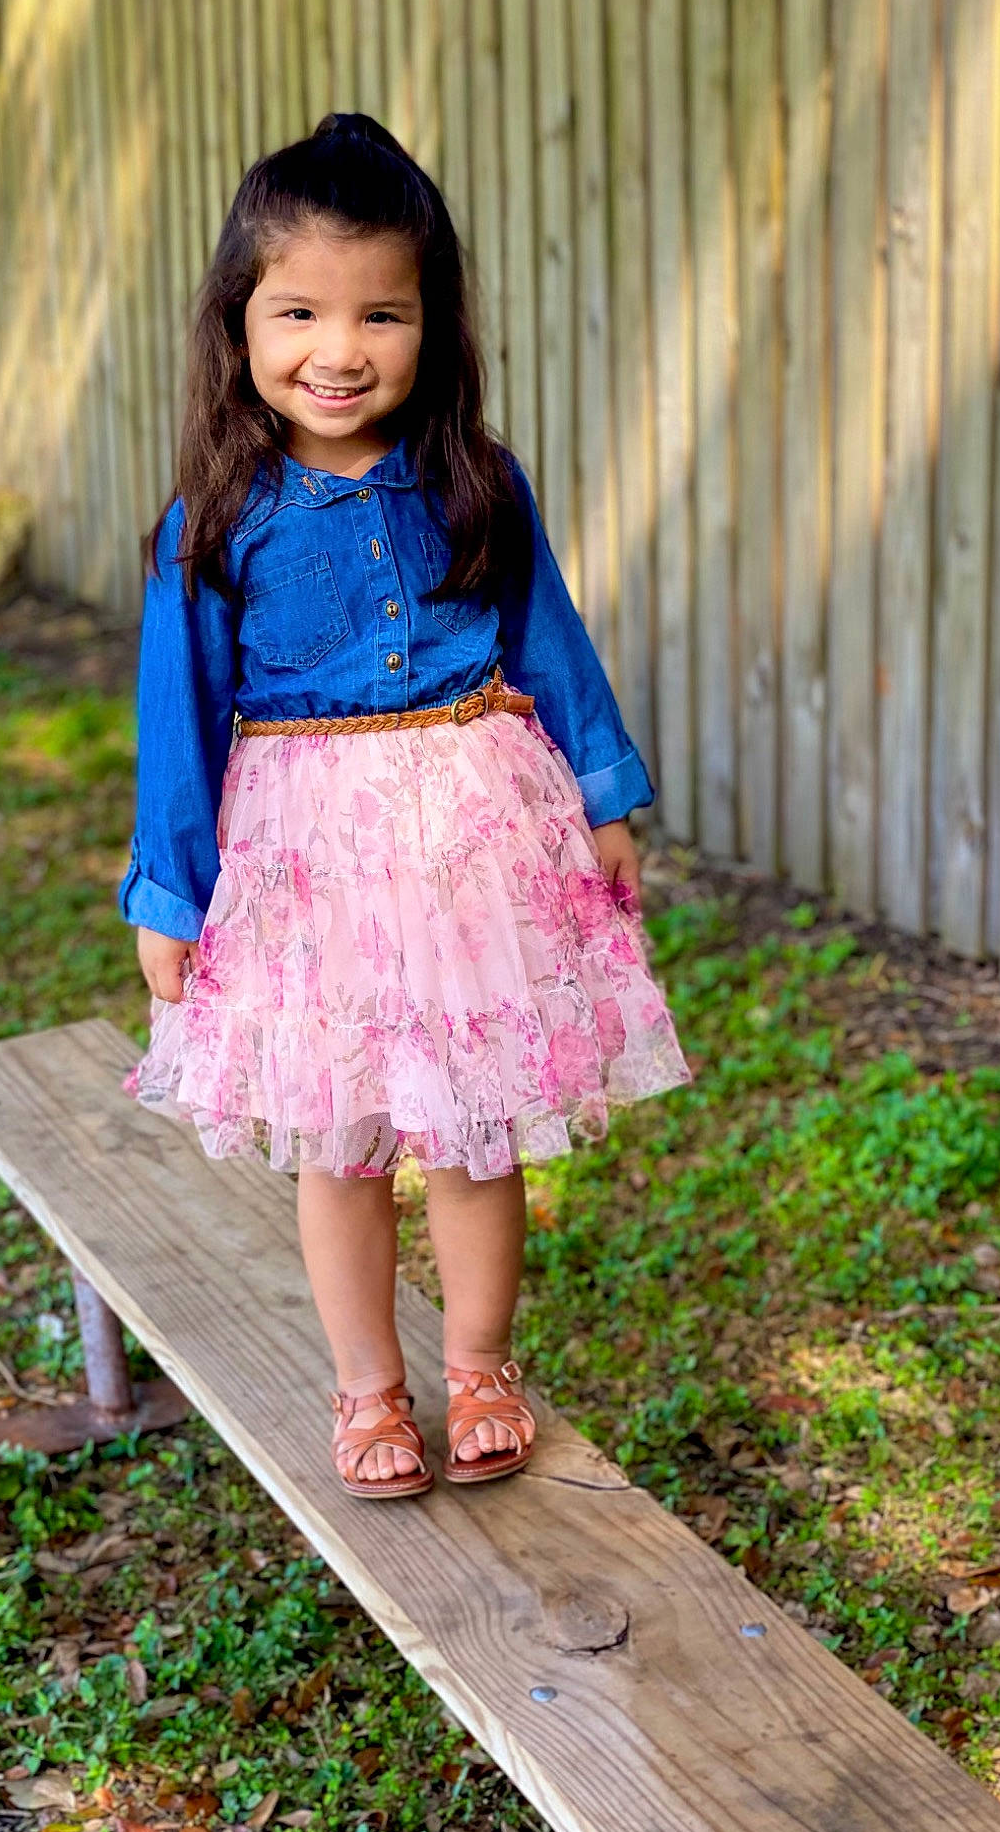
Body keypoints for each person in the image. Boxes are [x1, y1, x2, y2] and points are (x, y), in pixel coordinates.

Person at [119, 112, 690, 1500]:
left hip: (472, 846)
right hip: (308, 865)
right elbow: (177, 729)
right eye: (300, 310)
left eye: (382, 312)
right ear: (239, 323)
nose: (340, 347)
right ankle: (370, 1387)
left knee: (477, 1124)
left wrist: (603, 792)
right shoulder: (214, 518)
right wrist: (166, 893)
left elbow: (547, 638)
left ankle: (484, 1361)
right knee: (346, 1136)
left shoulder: (474, 480)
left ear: (432, 323)